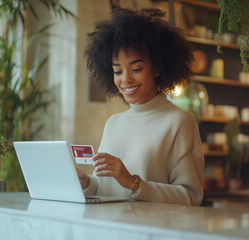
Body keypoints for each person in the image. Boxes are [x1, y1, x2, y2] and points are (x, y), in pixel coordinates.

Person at [78, 8, 205, 206]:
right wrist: (88, 183)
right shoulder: (114, 123)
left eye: (136, 69)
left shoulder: (179, 122)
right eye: (117, 71)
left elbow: (190, 196)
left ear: (157, 67)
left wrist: (134, 183)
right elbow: (106, 186)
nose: (126, 79)